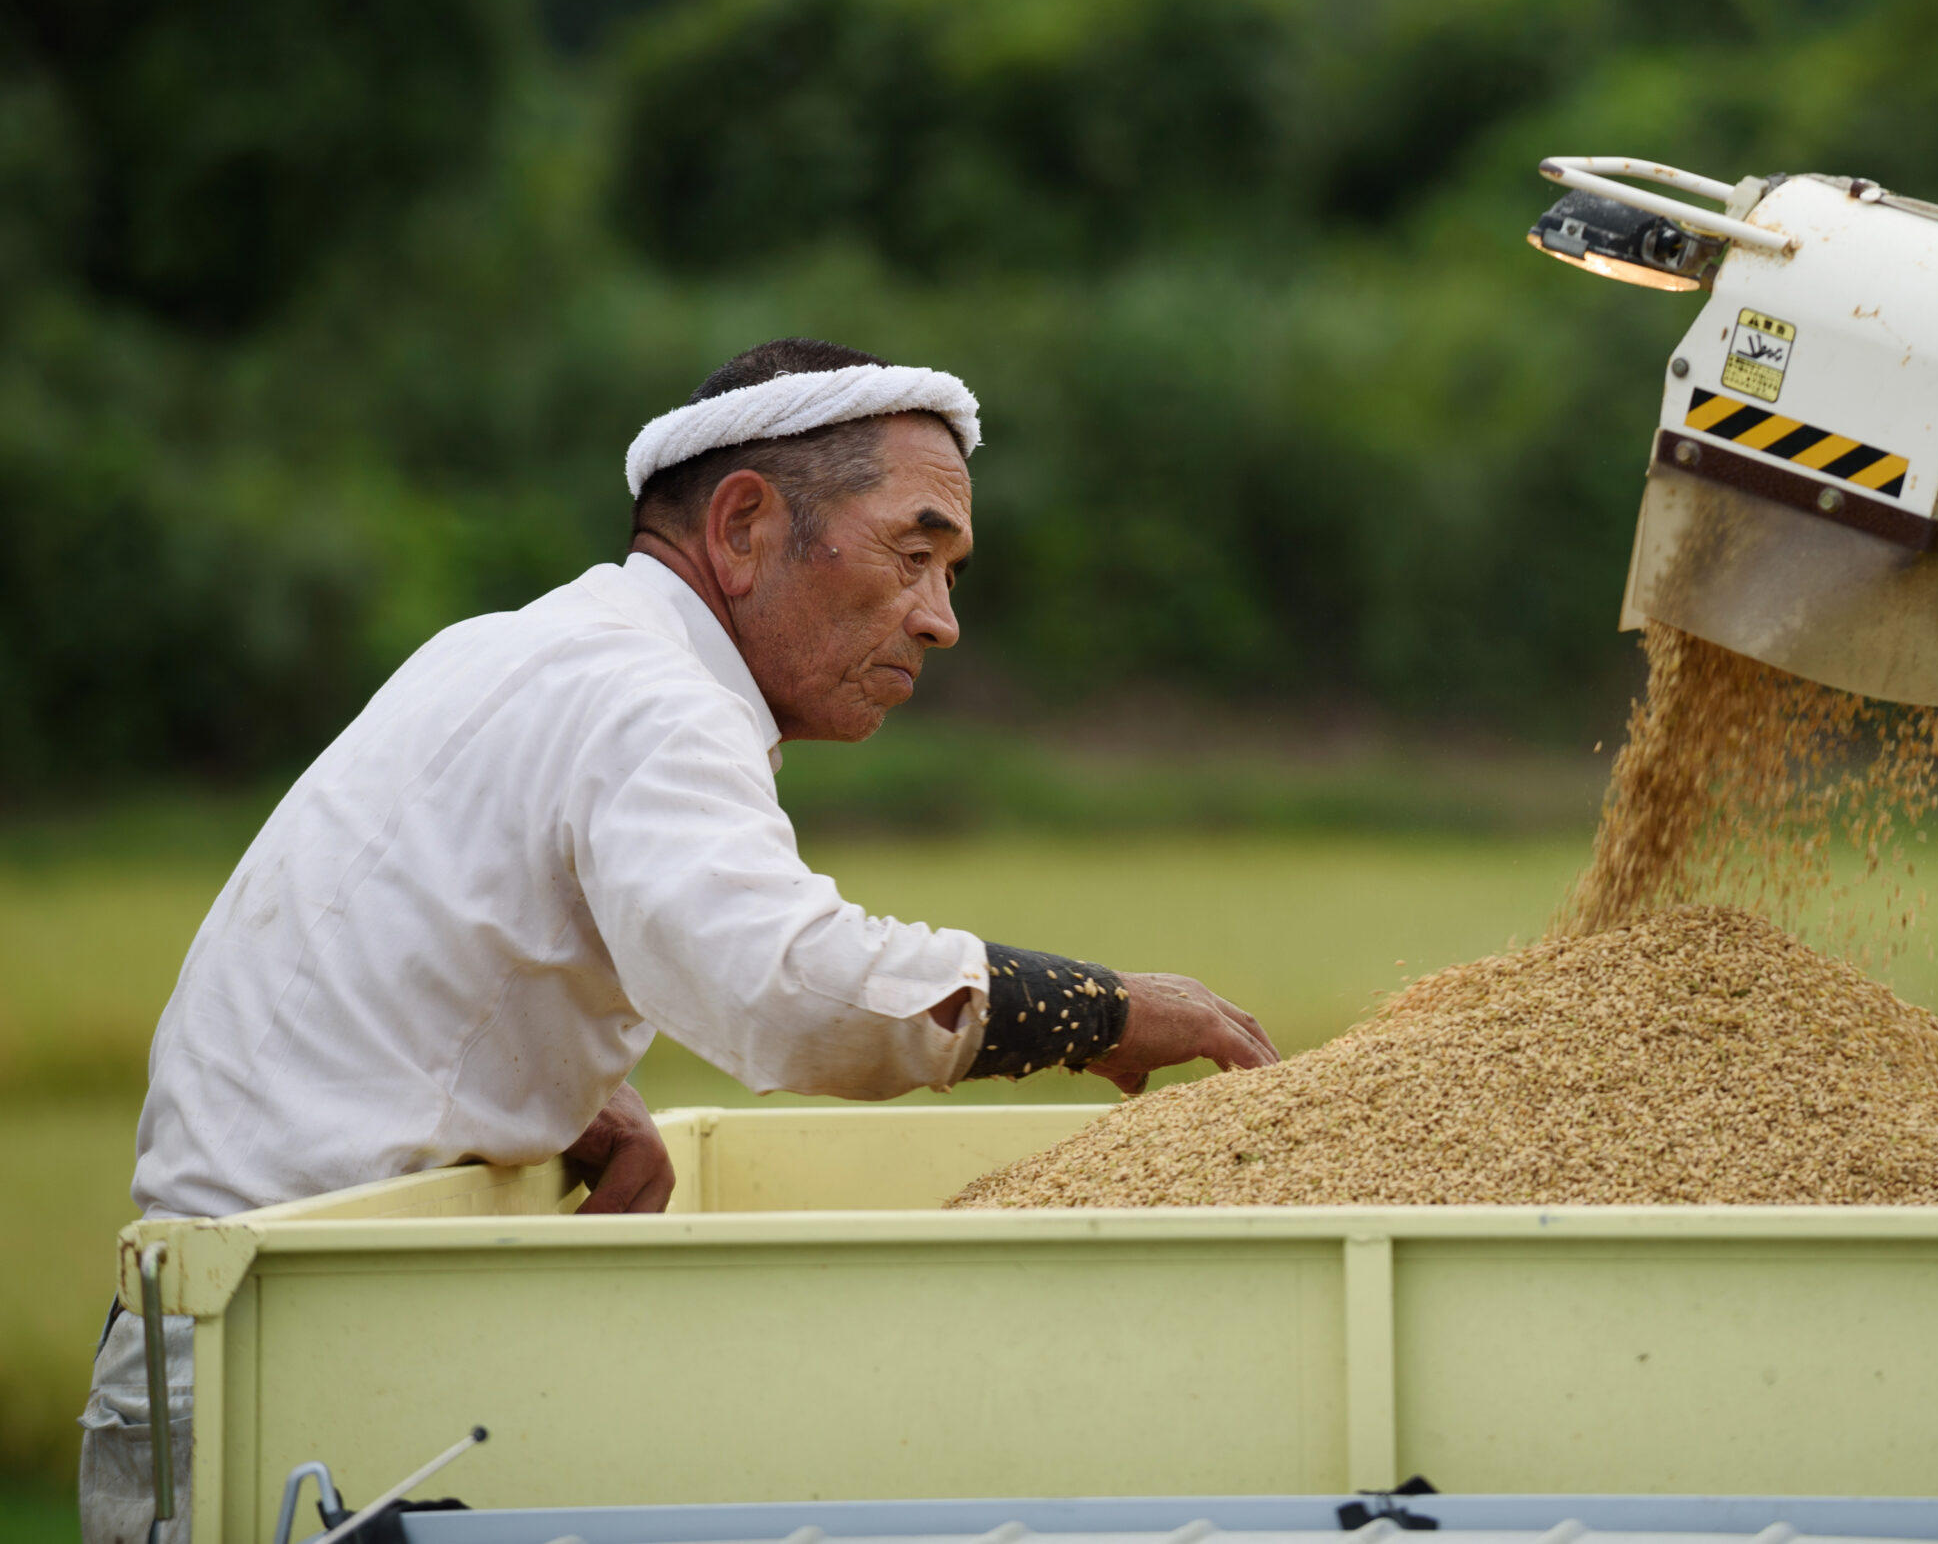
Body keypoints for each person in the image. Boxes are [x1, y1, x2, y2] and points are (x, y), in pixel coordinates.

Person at [79, 339, 1277, 1544]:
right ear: (746, 525)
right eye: (915, 556)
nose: (940, 619)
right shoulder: (653, 700)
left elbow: (399, 956)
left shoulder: (524, 647)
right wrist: (1102, 1008)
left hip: (253, 1340)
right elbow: (790, 981)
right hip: (282, 1378)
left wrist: (555, 1090)